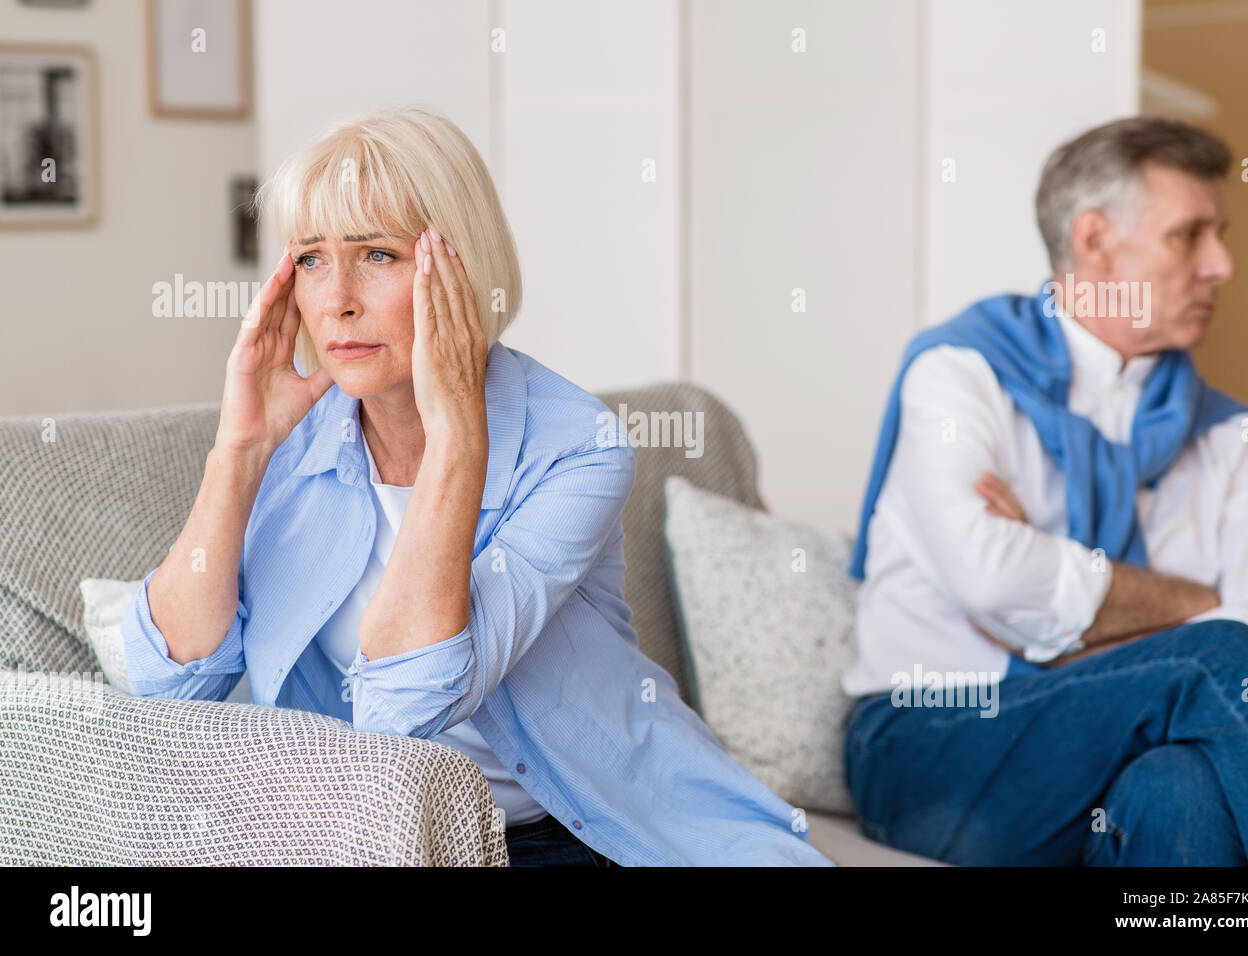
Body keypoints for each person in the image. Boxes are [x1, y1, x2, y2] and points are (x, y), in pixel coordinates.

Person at [121, 106, 831, 868]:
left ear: (461, 267)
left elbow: (406, 702)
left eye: (377, 255)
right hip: (386, 840)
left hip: (591, 830)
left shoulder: (575, 445)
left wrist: (456, 437)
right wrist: (240, 450)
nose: (336, 300)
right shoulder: (292, 435)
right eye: (312, 260)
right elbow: (167, 691)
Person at [842, 116, 1248, 865]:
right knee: (1217, 657)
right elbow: (988, 575)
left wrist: (1062, 614)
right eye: (1191, 236)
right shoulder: (961, 372)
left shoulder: (1231, 434)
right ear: (1093, 242)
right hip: (933, 735)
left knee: (1179, 784)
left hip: (1122, 748)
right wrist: (1193, 607)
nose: (1223, 265)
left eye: (1221, 234)